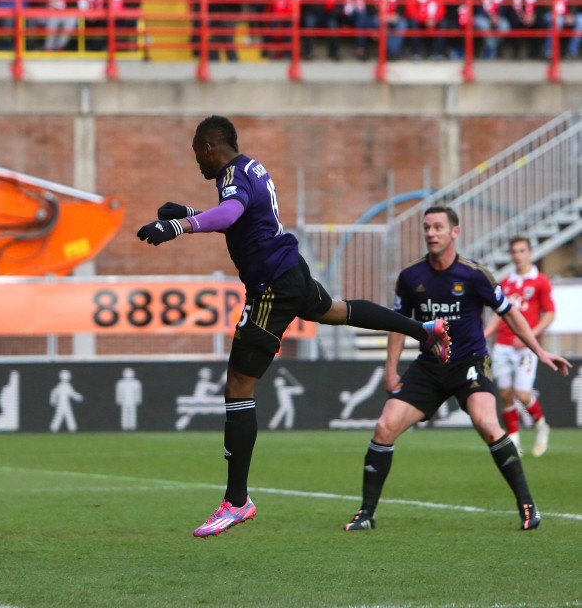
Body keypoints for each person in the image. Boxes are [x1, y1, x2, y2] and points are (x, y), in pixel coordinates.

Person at [136, 116, 452, 538]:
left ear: (210, 147)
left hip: (271, 288)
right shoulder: (251, 168)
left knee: (238, 386)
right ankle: (423, 330)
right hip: (292, 271)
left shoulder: (231, 175)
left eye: (197, 154)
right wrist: (192, 212)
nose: (197, 163)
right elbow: (247, 217)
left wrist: (179, 226)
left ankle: (236, 501)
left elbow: (232, 212)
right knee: (338, 310)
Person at [342, 207, 571, 533]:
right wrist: (390, 369)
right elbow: (397, 325)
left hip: (470, 365)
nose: (431, 233)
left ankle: (527, 506)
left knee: (487, 423)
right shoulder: (411, 277)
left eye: (438, 227)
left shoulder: (475, 275)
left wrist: (539, 349)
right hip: (428, 367)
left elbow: (509, 313)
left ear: (454, 232)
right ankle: (366, 513)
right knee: (384, 428)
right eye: (427, 227)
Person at [483, 236, 557, 457]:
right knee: (505, 393)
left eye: (522, 251)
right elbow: (500, 313)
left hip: (526, 348)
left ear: (530, 254)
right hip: (503, 345)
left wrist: (529, 335)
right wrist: (487, 332)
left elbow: (550, 314)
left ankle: (541, 425)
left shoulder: (540, 281)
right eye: (514, 251)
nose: (517, 255)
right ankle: (513, 439)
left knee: (522, 394)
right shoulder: (506, 282)